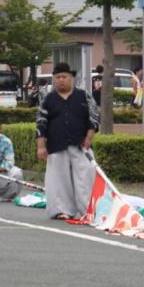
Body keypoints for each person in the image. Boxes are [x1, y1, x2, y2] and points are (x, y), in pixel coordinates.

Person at [35, 63, 98, 220]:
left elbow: (94, 118)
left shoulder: (84, 96)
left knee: (86, 176)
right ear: (54, 80)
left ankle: (88, 210)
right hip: (56, 145)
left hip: (80, 144)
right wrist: (41, 146)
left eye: (64, 77)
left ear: (72, 78)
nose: (61, 80)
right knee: (58, 179)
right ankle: (61, 210)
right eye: (58, 77)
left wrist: (89, 138)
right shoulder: (48, 99)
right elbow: (41, 122)